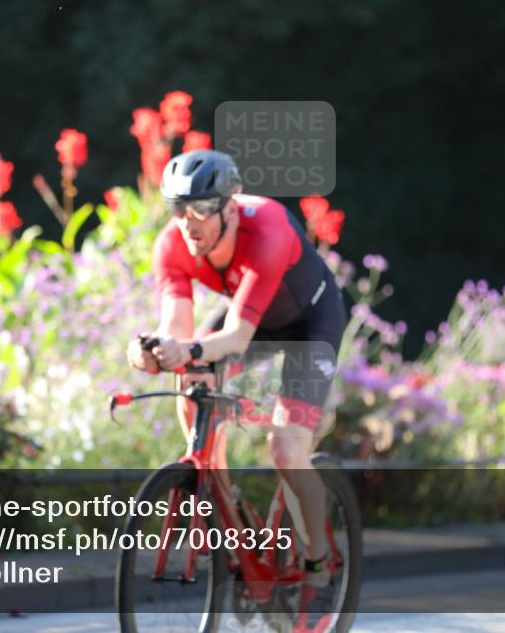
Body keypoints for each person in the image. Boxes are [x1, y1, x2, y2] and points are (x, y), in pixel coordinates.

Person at [125, 149, 346, 624]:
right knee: (193, 380)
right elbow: (178, 329)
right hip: (255, 316)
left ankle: (319, 565)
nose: (189, 222)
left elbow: (237, 338)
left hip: (310, 324)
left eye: (202, 208)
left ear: (231, 204)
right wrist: (151, 352)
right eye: (178, 208)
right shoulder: (171, 245)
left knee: (287, 451)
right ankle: (218, 497)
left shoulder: (266, 228)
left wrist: (190, 349)